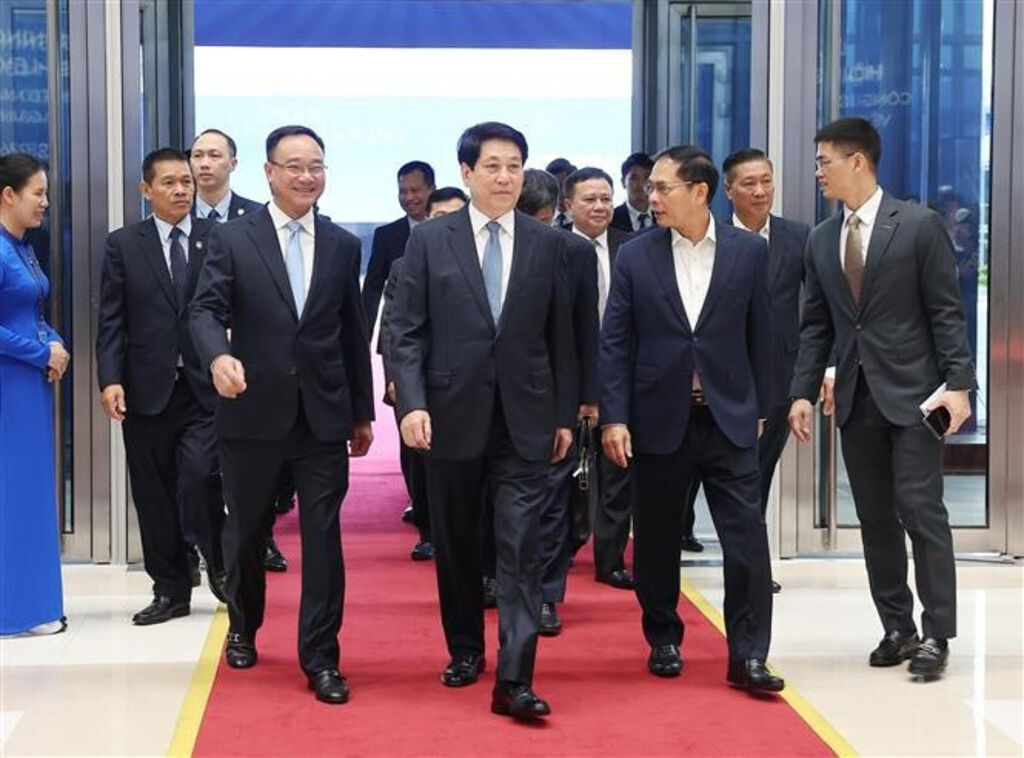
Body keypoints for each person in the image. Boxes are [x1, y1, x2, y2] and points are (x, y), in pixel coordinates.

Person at [390, 122, 575, 722]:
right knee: (458, 542)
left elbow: (562, 336)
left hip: (526, 419)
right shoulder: (430, 241)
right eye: (492, 166)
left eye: (514, 166)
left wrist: (565, 413)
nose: (504, 177)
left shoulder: (547, 244)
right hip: (450, 416)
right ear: (467, 173)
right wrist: (413, 403)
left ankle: (516, 677)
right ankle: (465, 647)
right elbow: (405, 330)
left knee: (521, 547)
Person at [190, 125, 374, 704]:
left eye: (315, 166)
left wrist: (362, 413)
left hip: (322, 418)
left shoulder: (342, 244)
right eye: (293, 165)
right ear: (268, 172)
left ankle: (321, 658)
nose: (305, 176)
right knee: (246, 531)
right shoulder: (233, 238)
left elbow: (352, 332)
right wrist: (217, 356)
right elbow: (203, 310)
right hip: (251, 412)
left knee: (323, 538)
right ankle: (243, 625)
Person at [789, 117, 975, 681]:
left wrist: (960, 385)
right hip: (856, 397)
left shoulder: (918, 226)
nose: (818, 172)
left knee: (921, 509)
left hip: (917, 396)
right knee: (874, 517)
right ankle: (898, 627)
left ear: (857, 162)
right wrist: (802, 391)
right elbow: (816, 326)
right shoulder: (822, 239)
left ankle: (938, 632)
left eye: (824, 161)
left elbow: (946, 310)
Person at [601, 145, 784, 693]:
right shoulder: (635, 256)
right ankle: (663, 637)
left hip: (729, 419)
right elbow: (615, 343)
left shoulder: (748, 252)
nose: (651, 197)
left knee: (746, 540)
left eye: (663, 188)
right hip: (659, 417)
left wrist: (762, 408)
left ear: (699, 192)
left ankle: (748, 655)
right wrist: (614, 417)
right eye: (651, 188)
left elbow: (763, 335)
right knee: (657, 539)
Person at [96, 148, 225, 625]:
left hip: (204, 386)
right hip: (146, 387)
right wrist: (110, 378)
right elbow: (112, 318)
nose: (181, 190)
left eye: (186, 182)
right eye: (169, 183)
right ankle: (170, 589)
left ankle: (221, 563)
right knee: (152, 492)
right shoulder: (123, 244)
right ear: (146, 189)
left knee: (200, 477)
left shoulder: (218, 238)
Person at [679, 148, 812, 590]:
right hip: (719, 379)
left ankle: (751, 569)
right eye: (749, 183)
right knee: (714, 474)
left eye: (766, 181)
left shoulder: (797, 237)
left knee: (758, 473)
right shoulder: (710, 238)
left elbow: (818, 310)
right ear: (728, 189)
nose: (760, 191)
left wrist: (815, 375)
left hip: (777, 378)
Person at [515, 169, 599, 637]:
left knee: (551, 501)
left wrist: (588, 397)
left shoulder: (575, 253)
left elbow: (586, 329)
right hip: (493, 395)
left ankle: (547, 593)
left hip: (554, 397)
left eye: (544, 220)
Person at [378, 187, 468, 561]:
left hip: (467, 382)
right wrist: (395, 377)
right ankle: (428, 529)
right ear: (426, 221)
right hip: (418, 377)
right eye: (439, 216)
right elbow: (393, 327)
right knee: (419, 458)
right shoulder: (405, 266)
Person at [0, 153, 69, 637]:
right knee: (12, 492)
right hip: (9, 384)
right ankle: (12, 610)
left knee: (31, 493)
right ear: (8, 195)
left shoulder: (22, 247)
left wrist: (54, 342)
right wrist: (39, 352)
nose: (45, 202)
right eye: (37, 193)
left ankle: (34, 604)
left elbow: (31, 312)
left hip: (29, 384)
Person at [563, 167, 636, 594]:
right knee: (567, 473)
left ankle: (610, 560)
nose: (600, 206)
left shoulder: (633, 248)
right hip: (567, 378)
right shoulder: (553, 248)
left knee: (618, 471)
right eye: (589, 199)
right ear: (568, 205)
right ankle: (564, 548)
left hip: (623, 376)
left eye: (606, 198)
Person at [362, 160, 436, 328]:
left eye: (415, 190)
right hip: (398, 331)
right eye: (403, 191)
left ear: (431, 190)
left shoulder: (451, 230)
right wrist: (363, 336)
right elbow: (372, 289)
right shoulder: (385, 235)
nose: (409, 197)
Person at [189, 129, 264, 221]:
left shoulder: (257, 214)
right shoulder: (177, 213)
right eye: (197, 156)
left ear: (233, 164)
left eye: (214, 155)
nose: (204, 164)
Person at [610, 152, 654, 232]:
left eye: (646, 177)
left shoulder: (663, 215)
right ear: (623, 182)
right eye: (633, 178)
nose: (640, 184)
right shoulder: (611, 219)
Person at [545, 157, 576, 229]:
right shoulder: (542, 219)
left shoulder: (585, 219)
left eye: (562, 186)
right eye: (554, 187)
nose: (559, 193)